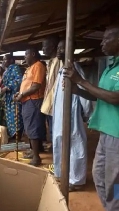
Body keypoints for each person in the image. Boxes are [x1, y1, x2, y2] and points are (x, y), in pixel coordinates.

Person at [64, 25, 119, 210]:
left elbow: (115, 97)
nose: (102, 43)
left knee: (114, 182)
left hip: (117, 135)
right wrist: (78, 90)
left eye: (106, 39)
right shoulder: (110, 68)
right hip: (105, 132)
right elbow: (100, 95)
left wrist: (81, 81)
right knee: (99, 176)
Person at [52, 40, 92, 191]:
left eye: (63, 48)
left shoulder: (74, 69)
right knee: (60, 142)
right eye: (58, 47)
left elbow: (84, 93)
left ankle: (76, 181)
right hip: (60, 115)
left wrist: (87, 114)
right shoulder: (61, 69)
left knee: (75, 144)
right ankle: (63, 174)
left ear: (71, 49)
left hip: (71, 114)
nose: (59, 50)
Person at [14, 48, 46, 166]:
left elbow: (36, 86)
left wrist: (22, 94)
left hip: (33, 100)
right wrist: (20, 93)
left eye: (26, 54)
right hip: (27, 101)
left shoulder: (38, 66)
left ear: (33, 54)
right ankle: (34, 152)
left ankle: (36, 158)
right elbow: (27, 86)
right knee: (30, 127)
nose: (24, 57)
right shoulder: (30, 68)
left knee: (33, 128)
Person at [41, 36, 63, 146]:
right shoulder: (50, 62)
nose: (43, 49)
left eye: (44, 46)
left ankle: (59, 159)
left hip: (56, 104)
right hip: (49, 104)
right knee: (52, 131)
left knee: (57, 132)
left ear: (53, 47)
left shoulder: (60, 62)